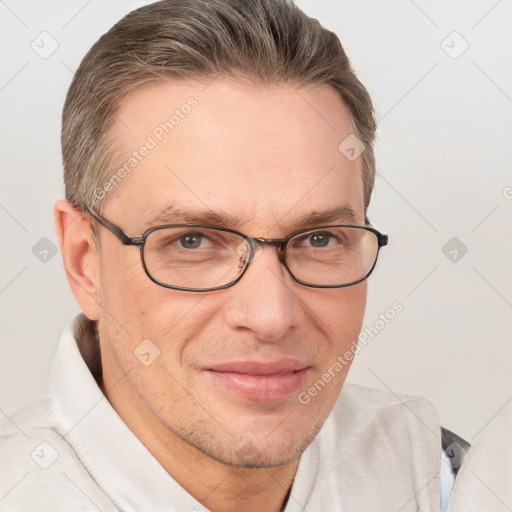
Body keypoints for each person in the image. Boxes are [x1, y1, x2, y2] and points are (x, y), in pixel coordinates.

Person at [0, 1, 458, 510]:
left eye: (319, 239)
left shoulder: (444, 478)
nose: (270, 317)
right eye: (193, 241)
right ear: (85, 262)